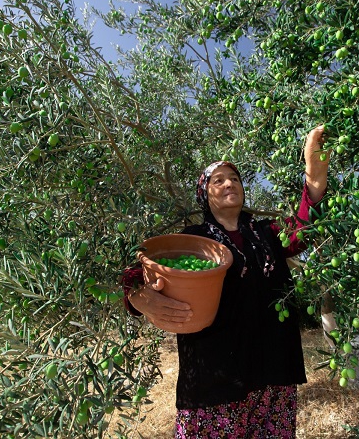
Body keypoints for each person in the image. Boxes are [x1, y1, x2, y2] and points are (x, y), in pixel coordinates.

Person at [122, 125, 329, 438]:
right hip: (212, 376)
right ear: (205, 194)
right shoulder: (192, 241)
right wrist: (138, 296)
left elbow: (304, 229)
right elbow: (138, 272)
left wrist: (314, 176)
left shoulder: (267, 234)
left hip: (272, 369)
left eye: (234, 178)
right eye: (218, 180)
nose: (229, 183)